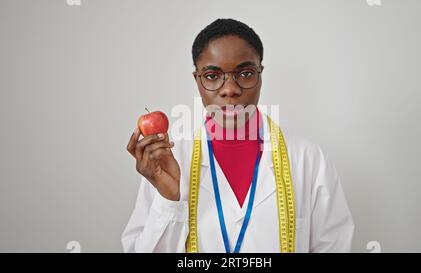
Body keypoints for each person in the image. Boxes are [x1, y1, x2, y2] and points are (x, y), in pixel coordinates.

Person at [122, 18, 354, 253]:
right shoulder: (166, 162)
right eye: (212, 76)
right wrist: (169, 201)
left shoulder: (310, 160)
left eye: (245, 73)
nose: (230, 89)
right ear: (197, 81)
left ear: (260, 75)